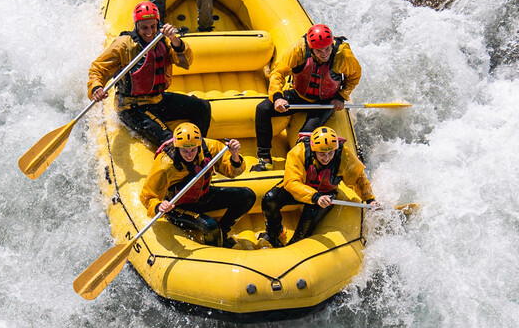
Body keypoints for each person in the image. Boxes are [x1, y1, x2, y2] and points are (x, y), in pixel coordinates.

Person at [89, 1, 213, 147]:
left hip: (158, 100)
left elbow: (185, 61)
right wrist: (96, 88)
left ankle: (198, 152)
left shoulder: (163, 40)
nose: (149, 32)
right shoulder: (123, 45)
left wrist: (175, 40)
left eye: (153, 26)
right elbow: (98, 69)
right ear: (136, 25)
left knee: (202, 107)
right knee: (170, 142)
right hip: (133, 108)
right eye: (144, 27)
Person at [252, 23, 359, 169]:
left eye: (327, 48)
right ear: (311, 47)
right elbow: (278, 72)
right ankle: (264, 158)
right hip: (299, 95)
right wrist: (277, 97)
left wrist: (341, 97)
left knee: (306, 134)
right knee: (262, 109)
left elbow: (354, 77)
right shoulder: (299, 49)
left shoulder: (342, 54)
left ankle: (299, 167)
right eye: (319, 50)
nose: (324, 53)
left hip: (325, 103)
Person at [140, 122, 252, 248]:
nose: (190, 154)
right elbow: (147, 197)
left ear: (198, 145)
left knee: (247, 195)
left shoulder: (210, 147)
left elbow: (232, 171)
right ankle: (215, 244)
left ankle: (223, 231)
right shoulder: (165, 164)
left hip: (203, 197)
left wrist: (235, 155)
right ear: (177, 147)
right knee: (211, 226)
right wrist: (159, 205)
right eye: (185, 151)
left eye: (193, 150)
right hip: (177, 207)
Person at [262, 126, 376, 247]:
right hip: (302, 190)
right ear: (314, 149)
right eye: (322, 153)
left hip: (325, 194)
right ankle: (275, 231)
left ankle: (293, 245)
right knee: (269, 199)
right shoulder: (299, 152)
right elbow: (291, 182)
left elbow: (359, 178)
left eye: (330, 153)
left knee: (303, 230)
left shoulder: (343, 155)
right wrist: (315, 197)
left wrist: (370, 200)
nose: (326, 158)